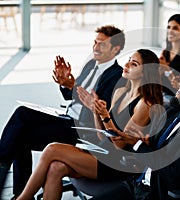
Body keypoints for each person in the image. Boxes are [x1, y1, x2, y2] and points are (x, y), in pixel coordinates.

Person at [15, 49, 164, 200]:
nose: (126, 64)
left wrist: (105, 116)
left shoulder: (145, 104)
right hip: (103, 152)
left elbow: (119, 145)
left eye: (134, 64)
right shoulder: (120, 92)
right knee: (55, 168)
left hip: (118, 164)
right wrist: (95, 112)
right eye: (129, 59)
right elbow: (102, 135)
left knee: (52, 149)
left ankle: (23, 198)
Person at [0, 25, 126, 198]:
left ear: (116, 49)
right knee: (20, 135)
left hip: (82, 129)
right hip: (67, 118)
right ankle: (19, 193)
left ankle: (3, 166)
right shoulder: (91, 65)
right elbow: (71, 95)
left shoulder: (117, 76)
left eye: (102, 44)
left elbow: (99, 108)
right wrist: (64, 82)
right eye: (95, 42)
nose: (95, 47)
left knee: (22, 114)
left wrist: (73, 86)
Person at [91, 67, 180, 200]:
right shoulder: (173, 112)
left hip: (157, 194)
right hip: (137, 185)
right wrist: (137, 141)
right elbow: (152, 148)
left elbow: (172, 174)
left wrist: (138, 144)